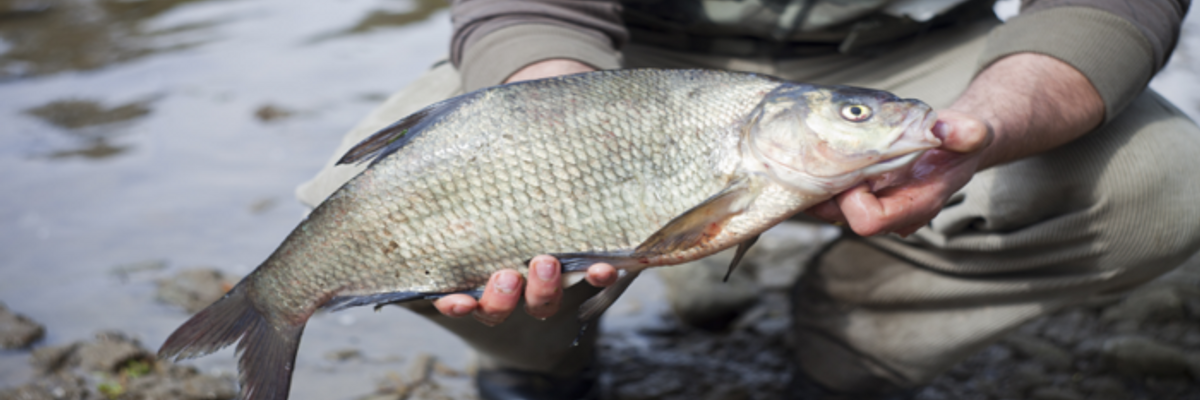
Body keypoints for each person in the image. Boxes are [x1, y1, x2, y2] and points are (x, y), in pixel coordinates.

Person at [296, 0, 1200, 398]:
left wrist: (992, 125)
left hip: (911, 48)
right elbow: (527, 8)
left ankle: (859, 347)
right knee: (360, 194)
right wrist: (558, 118)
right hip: (627, 66)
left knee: (1166, 184)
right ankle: (540, 358)